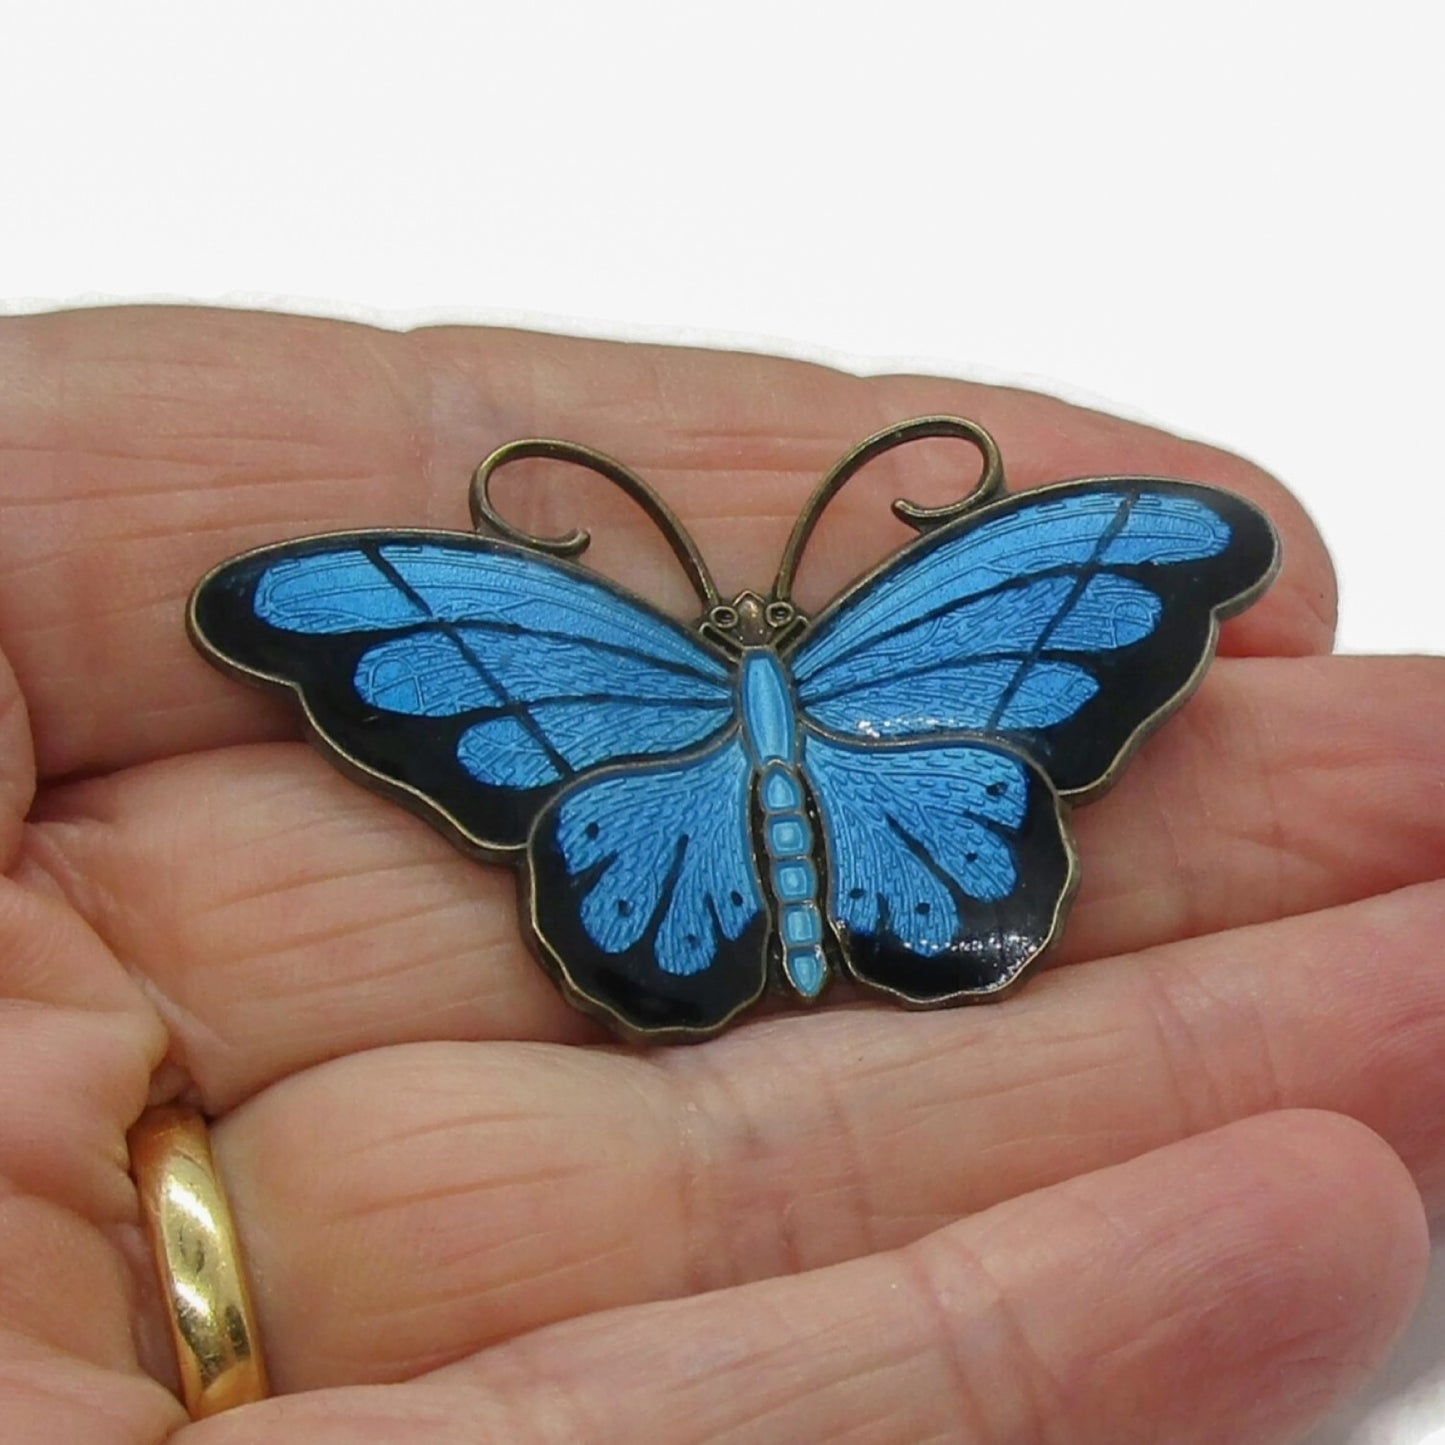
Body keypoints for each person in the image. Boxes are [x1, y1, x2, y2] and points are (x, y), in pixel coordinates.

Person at [1, 305, 1439, 1444]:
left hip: (703, 821)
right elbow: (295, 607)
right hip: (878, 818)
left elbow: (1195, 544)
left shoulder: (546, 636)